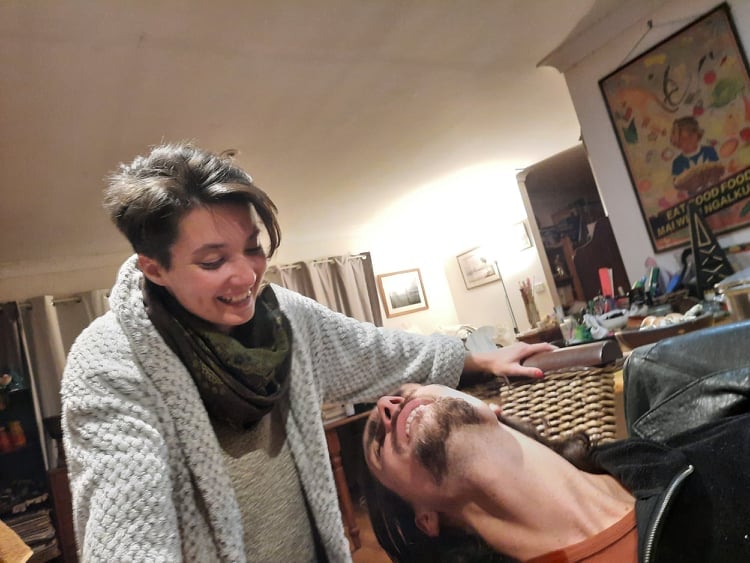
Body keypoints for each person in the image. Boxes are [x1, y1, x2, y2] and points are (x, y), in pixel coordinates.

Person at [60, 142, 554, 562]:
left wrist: (477, 359)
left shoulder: (285, 315)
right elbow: (126, 530)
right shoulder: (109, 360)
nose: (246, 276)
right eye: (213, 262)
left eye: (252, 248)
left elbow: (377, 352)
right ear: (154, 268)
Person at [363, 382, 750, 562]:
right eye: (379, 443)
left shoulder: (716, 450)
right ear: (424, 518)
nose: (387, 404)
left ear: (487, 405)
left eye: (409, 390)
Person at [670, 115, 724, 195]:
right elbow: (677, 184)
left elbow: (719, 170)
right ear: (677, 141)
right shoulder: (677, 162)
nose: (688, 142)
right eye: (683, 139)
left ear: (697, 135)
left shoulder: (709, 150)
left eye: (691, 137)